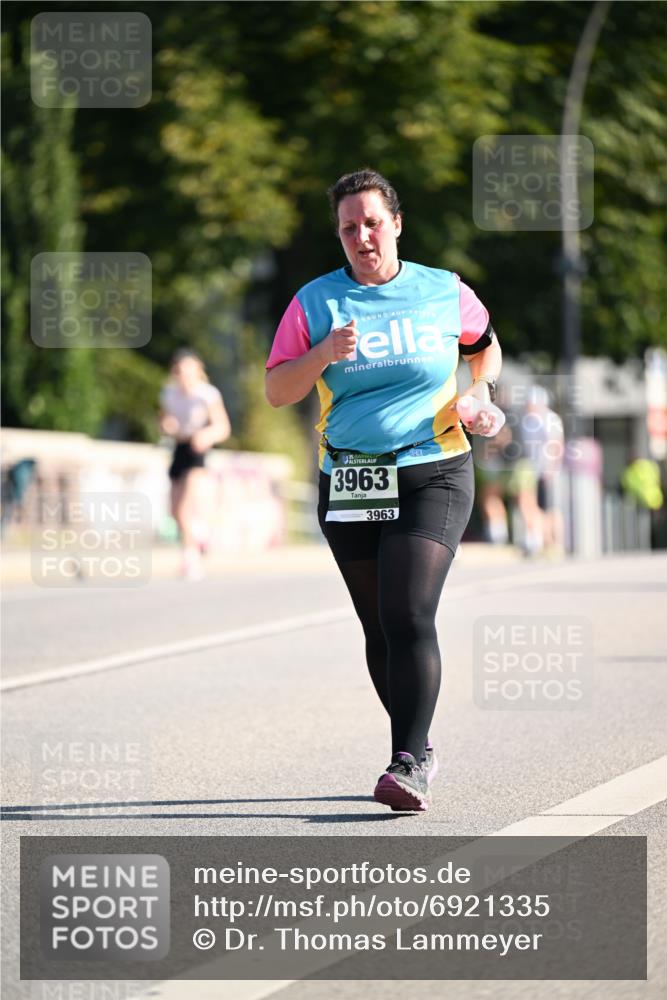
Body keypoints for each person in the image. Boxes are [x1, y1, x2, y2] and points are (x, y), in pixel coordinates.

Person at [265, 169, 502, 812]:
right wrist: (320, 353)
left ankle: (406, 762)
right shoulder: (315, 302)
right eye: (348, 228)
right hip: (349, 476)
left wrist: (477, 393)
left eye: (372, 222)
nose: (361, 236)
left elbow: (485, 347)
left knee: (407, 612)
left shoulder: (442, 291)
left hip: (432, 467)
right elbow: (278, 390)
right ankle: (418, 747)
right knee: (377, 624)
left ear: (395, 223)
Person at [159, 349, 231, 580]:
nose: (184, 377)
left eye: (189, 372)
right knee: (173, 510)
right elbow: (163, 419)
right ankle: (197, 542)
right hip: (179, 448)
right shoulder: (169, 394)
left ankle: (191, 559)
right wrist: (166, 425)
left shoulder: (207, 395)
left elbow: (222, 427)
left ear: (199, 372)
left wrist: (206, 436)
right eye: (180, 372)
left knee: (185, 507)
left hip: (197, 450)